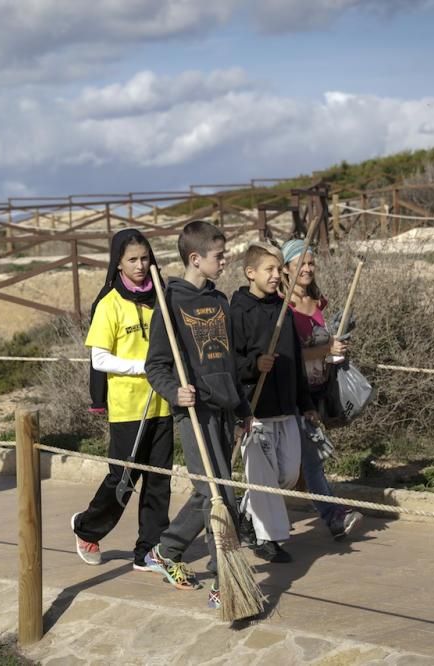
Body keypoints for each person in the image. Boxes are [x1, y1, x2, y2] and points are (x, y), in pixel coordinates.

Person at [143, 220, 252, 610]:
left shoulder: (220, 302)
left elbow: (229, 362)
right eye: (219, 255)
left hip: (224, 409)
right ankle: (225, 582)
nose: (225, 261)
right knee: (217, 494)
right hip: (194, 413)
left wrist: (242, 408)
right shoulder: (169, 303)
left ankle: (166, 551)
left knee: (210, 490)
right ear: (195, 258)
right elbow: (155, 366)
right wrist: (176, 391)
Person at [70, 229, 173, 570]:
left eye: (145, 258)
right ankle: (87, 527)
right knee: (124, 478)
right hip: (128, 407)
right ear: (118, 263)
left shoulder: (161, 298)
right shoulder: (109, 304)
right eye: (132, 259)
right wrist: (141, 367)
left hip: (162, 402)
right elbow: (99, 358)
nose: (141, 265)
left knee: (159, 478)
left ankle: (149, 548)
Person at [229, 242, 316, 563]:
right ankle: (268, 539)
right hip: (255, 410)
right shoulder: (237, 311)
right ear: (250, 273)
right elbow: (230, 362)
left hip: (286, 408)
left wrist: (305, 402)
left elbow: (295, 364)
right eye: (270, 269)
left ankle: (246, 508)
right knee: (263, 478)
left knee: (288, 475)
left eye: (279, 270)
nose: (277, 275)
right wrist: (254, 366)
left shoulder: (284, 311)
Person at [282, 240, 365, 540]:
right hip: (293, 393)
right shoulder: (283, 308)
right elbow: (290, 357)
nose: (306, 269)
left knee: (293, 466)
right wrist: (325, 348)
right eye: (299, 264)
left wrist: (336, 350)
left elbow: (322, 348)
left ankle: (253, 515)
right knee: (311, 459)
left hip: (317, 390)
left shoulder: (318, 302)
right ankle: (333, 518)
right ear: (286, 268)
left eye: (310, 264)